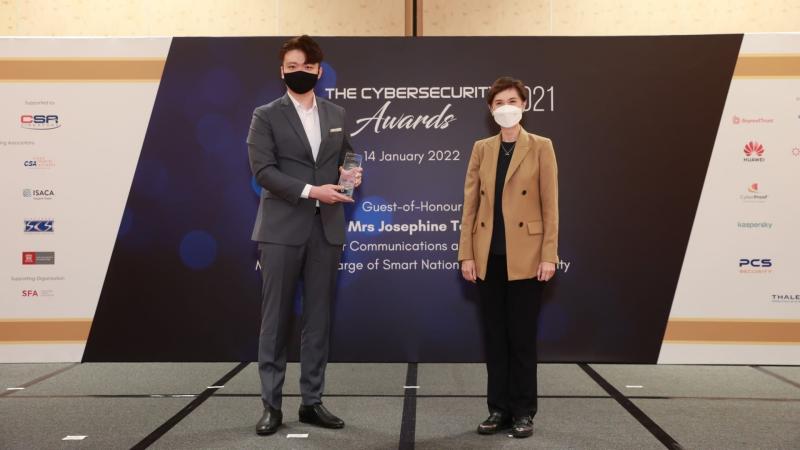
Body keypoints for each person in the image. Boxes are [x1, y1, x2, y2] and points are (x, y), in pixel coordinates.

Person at [247, 34, 362, 436]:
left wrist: (351, 174)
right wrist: (313, 191)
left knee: (318, 320)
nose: (300, 72)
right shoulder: (265, 115)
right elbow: (263, 171)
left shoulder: (336, 113)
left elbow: (347, 157)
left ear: (319, 70)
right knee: (275, 321)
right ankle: (271, 405)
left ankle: (312, 402)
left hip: (325, 229)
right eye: (292, 66)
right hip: (281, 229)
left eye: (307, 66)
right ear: (282, 71)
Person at [458, 76, 559, 439]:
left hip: (527, 258)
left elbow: (551, 206)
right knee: (495, 338)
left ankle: (523, 411)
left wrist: (548, 255)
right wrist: (466, 254)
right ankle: (498, 409)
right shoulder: (481, 149)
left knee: (522, 338)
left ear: (524, 105)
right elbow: (470, 205)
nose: (506, 108)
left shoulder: (541, 147)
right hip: (488, 257)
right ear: (490, 109)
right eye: (499, 102)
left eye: (512, 101)